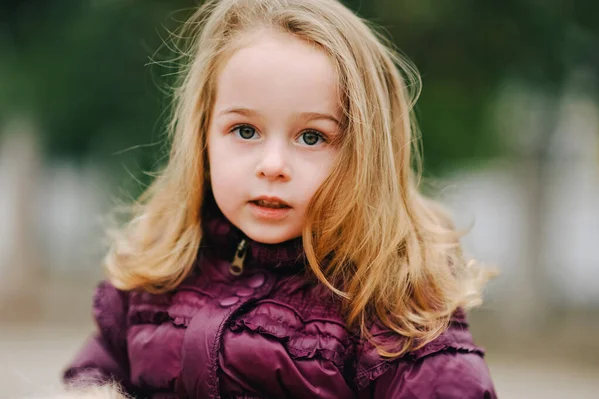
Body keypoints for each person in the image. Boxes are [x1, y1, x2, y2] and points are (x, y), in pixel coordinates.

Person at [63, 0, 497, 397]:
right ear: (203, 138)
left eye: (312, 137)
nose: (273, 165)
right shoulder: (160, 267)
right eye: (245, 131)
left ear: (366, 154)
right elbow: (93, 376)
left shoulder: (391, 298)